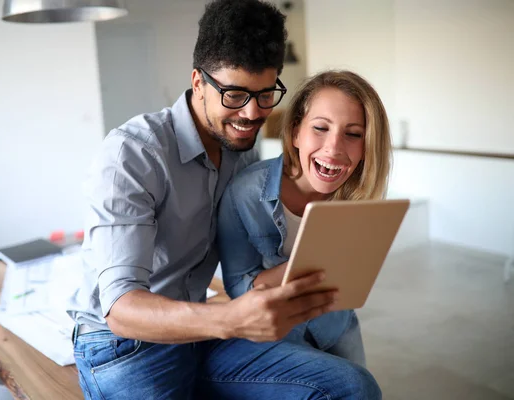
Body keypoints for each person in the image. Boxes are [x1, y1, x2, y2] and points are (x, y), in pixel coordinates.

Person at [66, 0, 382, 398]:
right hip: (125, 347)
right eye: (234, 94)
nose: (251, 113)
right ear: (198, 82)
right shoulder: (132, 153)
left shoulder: (240, 144)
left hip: (201, 331)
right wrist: (228, 319)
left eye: (266, 94)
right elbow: (121, 311)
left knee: (352, 386)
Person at [217, 70, 391, 370]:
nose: (334, 148)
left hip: (338, 320)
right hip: (282, 332)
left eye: (353, 134)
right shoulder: (244, 193)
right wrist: (311, 263)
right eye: (321, 128)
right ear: (296, 131)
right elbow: (238, 288)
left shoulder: (357, 195)